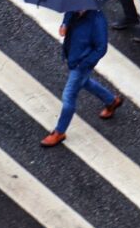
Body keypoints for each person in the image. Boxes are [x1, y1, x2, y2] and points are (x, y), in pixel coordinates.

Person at [41, 9, 124, 147]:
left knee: (68, 96)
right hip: (73, 57)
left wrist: (84, 63)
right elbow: (68, 15)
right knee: (84, 82)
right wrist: (64, 25)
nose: (75, 6)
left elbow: (101, 48)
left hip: (81, 64)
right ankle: (111, 100)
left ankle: (59, 132)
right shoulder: (74, 10)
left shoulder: (97, 20)